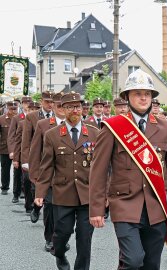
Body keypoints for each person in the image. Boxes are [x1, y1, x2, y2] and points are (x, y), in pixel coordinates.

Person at [89, 68, 167, 270]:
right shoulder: (112, 127)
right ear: (127, 97)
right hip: (125, 204)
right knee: (132, 260)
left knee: (151, 264)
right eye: (137, 93)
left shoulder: (165, 127)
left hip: (156, 207)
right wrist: (97, 208)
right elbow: (98, 170)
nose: (143, 98)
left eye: (147, 94)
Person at [34, 92, 99, 270]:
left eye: (77, 106)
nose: (75, 110)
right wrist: (40, 192)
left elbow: (103, 168)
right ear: (62, 109)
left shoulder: (94, 133)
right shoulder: (52, 135)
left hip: (88, 195)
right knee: (61, 235)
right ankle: (60, 254)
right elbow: (46, 166)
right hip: (63, 194)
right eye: (70, 107)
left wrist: (105, 194)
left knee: (85, 239)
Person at [29, 92, 66, 252]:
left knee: (63, 212)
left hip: (68, 178)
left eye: (65, 106)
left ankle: (60, 237)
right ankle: (50, 238)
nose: (61, 109)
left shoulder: (78, 124)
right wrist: (35, 176)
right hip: (48, 176)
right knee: (50, 209)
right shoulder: (43, 125)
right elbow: (35, 152)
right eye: (58, 106)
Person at [22, 91, 54, 222]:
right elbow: (26, 141)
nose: (50, 104)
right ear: (41, 101)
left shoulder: (59, 117)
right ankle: (36, 208)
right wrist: (26, 161)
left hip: (55, 160)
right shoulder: (32, 117)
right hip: (39, 160)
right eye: (47, 101)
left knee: (52, 194)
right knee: (39, 188)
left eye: (53, 102)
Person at [13, 101, 41, 212]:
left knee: (38, 184)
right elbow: (19, 142)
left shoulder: (44, 122)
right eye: (31, 109)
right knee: (27, 181)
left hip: (40, 157)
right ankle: (29, 204)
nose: (33, 111)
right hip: (28, 157)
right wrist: (16, 158)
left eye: (36, 109)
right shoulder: (22, 123)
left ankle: (37, 206)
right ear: (27, 110)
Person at [8, 96, 32, 202]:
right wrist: (13, 151)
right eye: (25, 103)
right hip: (20, 150)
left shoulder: (36, 117)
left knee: (27, 175)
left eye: (28, 103)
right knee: (17, 172)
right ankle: (15, 193)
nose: (27, 104)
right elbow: (12, 136)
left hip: (31, 151)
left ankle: (25, 193)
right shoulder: (17, 118)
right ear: (22, 104)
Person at [0, 101, 19, 195]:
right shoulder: (1, 119)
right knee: (5, 169)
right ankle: (4, 187)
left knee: (18, 170)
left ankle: (18, 190)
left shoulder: (21, 119)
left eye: (15, 109)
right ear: (7, 108)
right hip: (4, 149)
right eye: (11, 109)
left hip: (18, 148)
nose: (13, 111)